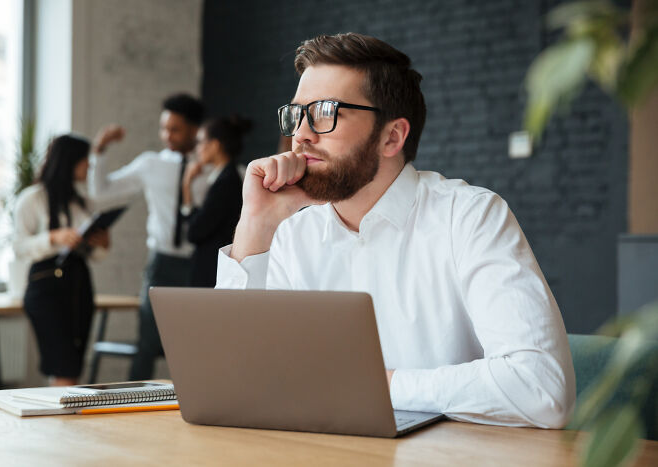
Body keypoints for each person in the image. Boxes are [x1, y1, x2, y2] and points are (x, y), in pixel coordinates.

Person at [215, 33, 576, 428]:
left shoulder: (469, 217)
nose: (300, 134)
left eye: (324, 112)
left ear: (392, 137)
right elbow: (230, 380)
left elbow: (542, 388)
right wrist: (256, 222)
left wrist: (374, 386)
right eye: (296, 114)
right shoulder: (290, 233)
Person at [89, 93, 209, 380]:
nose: (166, 135)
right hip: (161, 264)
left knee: (198, 344)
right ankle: (133, 404)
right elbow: (101, 192)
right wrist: (99, 151)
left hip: (200, 266)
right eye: (163, 128)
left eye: (174, 129)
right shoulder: (150, 164)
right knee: (147, 341)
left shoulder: (213, 166)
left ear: (195, 129)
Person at [14, 134, 110, 386]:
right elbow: (19, 247)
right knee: (63, 365)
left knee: (74, 365)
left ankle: (62, 421)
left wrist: (102, 244)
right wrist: (53, 238)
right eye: (84, 160)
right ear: (70, 161)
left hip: (78, 286)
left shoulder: (83, 202)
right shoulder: (32, 198)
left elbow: (96, 256)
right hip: (46, 287)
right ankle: (63, 423)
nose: (88, 166)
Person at [180, 116, 248, 287]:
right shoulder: (225, 177)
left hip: (210, 271)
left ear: (215, 145)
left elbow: (195, 232)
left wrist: (186, 186)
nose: (197, 149)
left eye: (200, 142)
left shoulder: (225, 182)